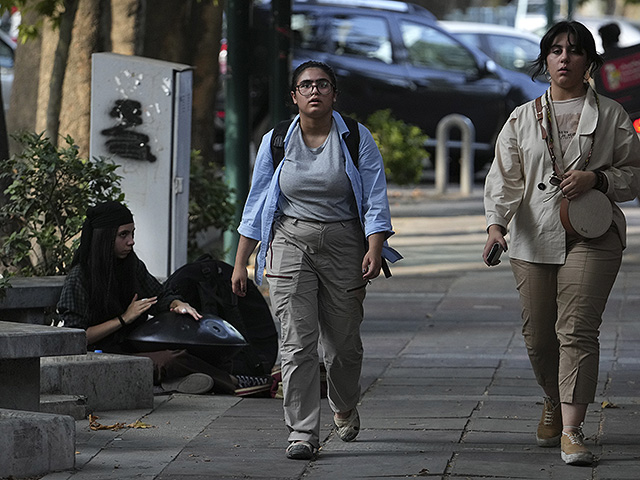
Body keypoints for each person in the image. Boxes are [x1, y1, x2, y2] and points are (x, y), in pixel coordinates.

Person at [483, 21, 640, 466]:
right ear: (545, 60)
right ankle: (553, 399)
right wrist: (496, 225)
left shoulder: (611, 116)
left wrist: (600, 178)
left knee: (577, 331)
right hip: (533, 238)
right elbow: (504, 180)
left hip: (594, 235)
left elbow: (635, 174)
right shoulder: (521, 118)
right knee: (538, 337)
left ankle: (572, 429)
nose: (564, 58)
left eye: (573, 50)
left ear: (589, 61)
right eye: (555, 50)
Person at [230, 60, 400, 460]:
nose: (314, 91)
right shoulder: (275, 142)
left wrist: (374, 248)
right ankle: (302, 431)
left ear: (334, 94)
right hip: (290, 241)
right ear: (294, 97)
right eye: (305, 86)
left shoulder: (357, 138)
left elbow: (375, 198)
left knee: (343, 346)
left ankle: (343, 403)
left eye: (323, 85)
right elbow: (257, 204)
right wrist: (242, 261)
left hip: (344, 242)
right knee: (296, 342)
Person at [57, 201, 271, 396]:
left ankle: (180, 382)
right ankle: (234, 383)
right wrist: (123, 319)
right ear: (104, 238)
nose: (131, 242)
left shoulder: (131, 265)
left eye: (132, 233)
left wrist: (177, 304)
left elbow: (159, 296)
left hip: (133, 346)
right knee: (171, 360)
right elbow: (76, 336)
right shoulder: (80, 277)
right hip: (101, 355)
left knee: (192, 347)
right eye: (123, 235)